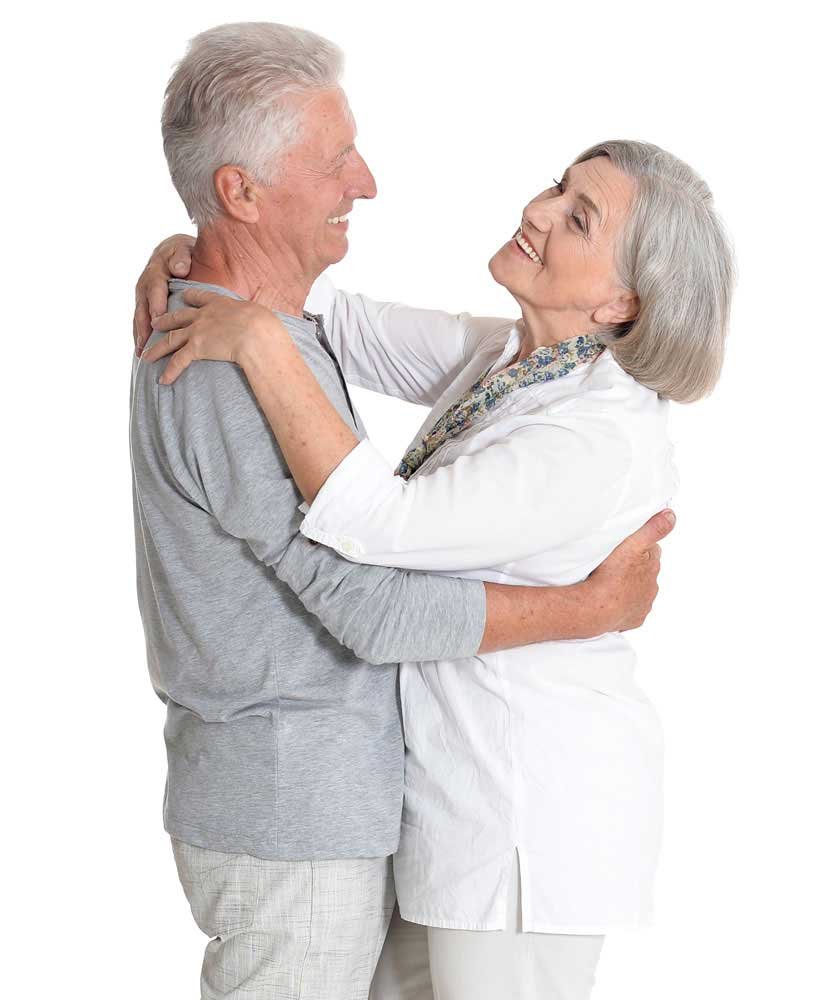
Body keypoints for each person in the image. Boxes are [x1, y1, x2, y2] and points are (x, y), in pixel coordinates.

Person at [131, 22, 673, 1000]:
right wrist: (193, 256)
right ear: (241, 191)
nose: (367, 182)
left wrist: (222, 277)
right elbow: (371, 596)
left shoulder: (586, 426)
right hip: (310, 805)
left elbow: (365, 496)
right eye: (335, 159)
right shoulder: (243, 362)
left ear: (620, 302)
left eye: (578, 218)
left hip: (506, 819)